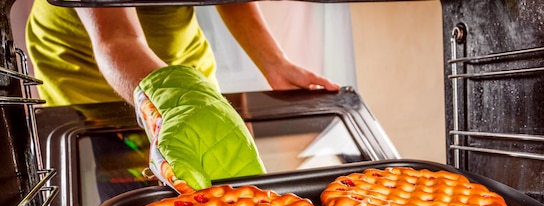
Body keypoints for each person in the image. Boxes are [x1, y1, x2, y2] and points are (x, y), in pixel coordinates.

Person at [25, 0, 340, 106]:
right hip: (88, 64)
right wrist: (180, 107)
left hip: (181, 50)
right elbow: (117, 38)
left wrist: (275, 63)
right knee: (121, 175)